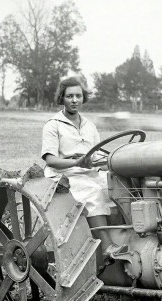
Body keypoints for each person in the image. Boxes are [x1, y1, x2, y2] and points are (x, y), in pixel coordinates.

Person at [41, 76, 116, 260]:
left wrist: (111, 161)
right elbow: (50, 159)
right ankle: (107, 246)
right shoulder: (53, 125)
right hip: (64, 175)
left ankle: (125, 238)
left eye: (78, 96)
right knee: (94, 191)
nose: (74, 100)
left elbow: (97, 155)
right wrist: (76, 163)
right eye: (69, 96)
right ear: (62, 98)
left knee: (116, 186)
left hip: (88, 172)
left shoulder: (89, 125)